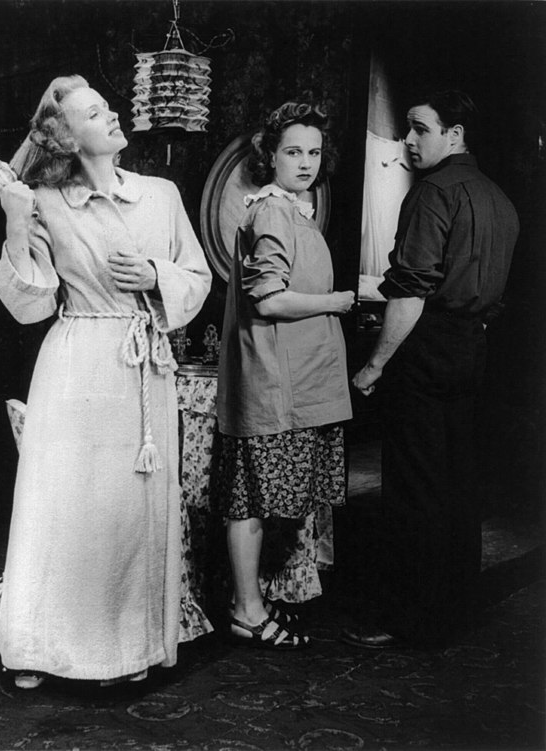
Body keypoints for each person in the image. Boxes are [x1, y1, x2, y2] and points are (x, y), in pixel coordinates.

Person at [0, 75, 212, 688]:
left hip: (142, 364)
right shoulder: (45, 201)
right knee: (64, 503)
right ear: (67, 136)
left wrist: (155, 273)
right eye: (94, 113)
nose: (111, 117)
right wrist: (13, 220)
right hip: (78, 360)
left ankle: (125, 649)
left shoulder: (160, 194)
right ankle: (40, 646)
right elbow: (29, 303)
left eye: (108, 108)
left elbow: (198, 274)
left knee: (127, 512)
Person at [346, 90, 519, 647]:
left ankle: (408, 618)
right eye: (408, 130)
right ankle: (453, 609)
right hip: (474, 347)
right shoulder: (498, 198)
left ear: (456, 134)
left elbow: (411, 293)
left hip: (426, 345)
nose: (409, 141)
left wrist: (375, 364)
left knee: (414, 487)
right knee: (458, 482)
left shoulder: (432, 194)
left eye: (421, 129)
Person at [215, 102, 355, 649]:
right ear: (269, 156)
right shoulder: (273, 212)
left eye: (314, 152)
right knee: (250, 496)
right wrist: (338, 301)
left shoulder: (290, 210)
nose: (305, 162)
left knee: (257, 497)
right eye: (292, 151)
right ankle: (246, 609)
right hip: (276, 382)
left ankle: (249, 601)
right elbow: (269, 300)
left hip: (293, 379)